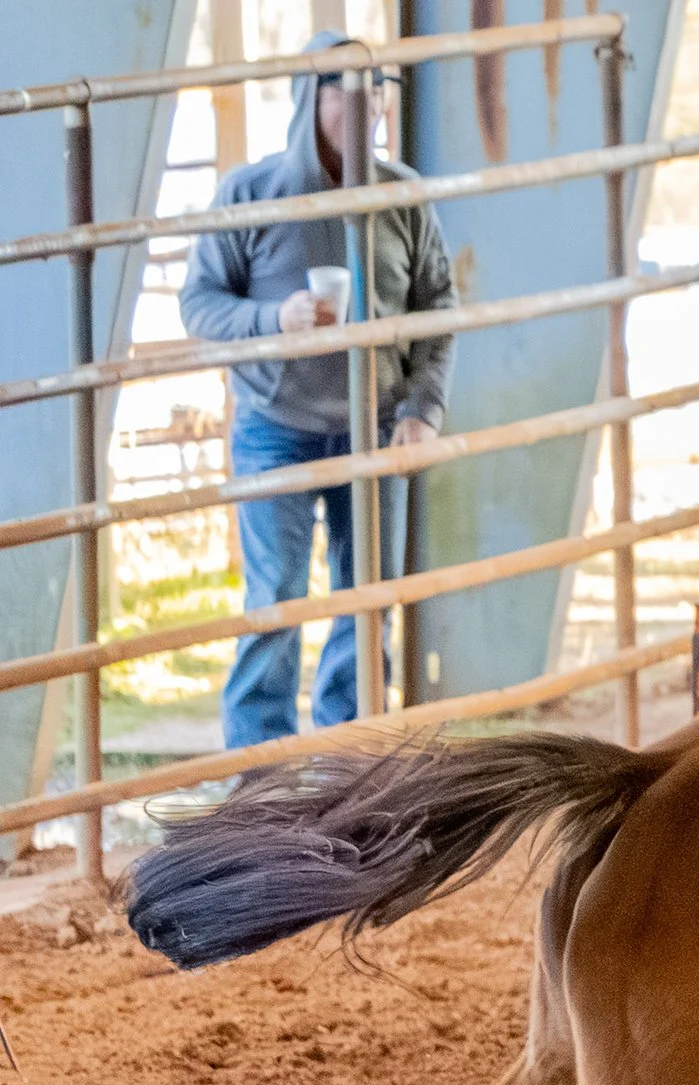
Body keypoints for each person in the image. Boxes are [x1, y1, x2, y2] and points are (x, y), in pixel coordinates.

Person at [180, 31, 455, 749]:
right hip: (277, 424)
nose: (367, 108)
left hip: (376, 424)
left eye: (377, 93)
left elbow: (438, 304)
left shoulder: (402, 195)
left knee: (367, 603)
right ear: (311, 98)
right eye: (347, 94)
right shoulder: (251, 194)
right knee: (275, 599)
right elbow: (200, 303)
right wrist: (275, 319)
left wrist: (423, 408)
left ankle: (348, 762)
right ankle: (260, 771)